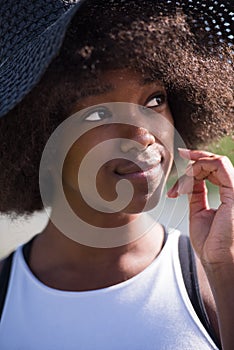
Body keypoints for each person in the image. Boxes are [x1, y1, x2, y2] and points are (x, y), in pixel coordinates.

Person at [0, 0, 233, 349]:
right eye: (99, 114)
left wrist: (223, 267)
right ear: (38, 141)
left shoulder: (214, 280)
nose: (143, 135)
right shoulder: (4, 301)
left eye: (155, 100)